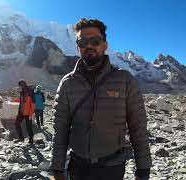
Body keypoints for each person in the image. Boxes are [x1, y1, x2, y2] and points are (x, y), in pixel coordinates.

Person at [50, 18, 152, 180]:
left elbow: (138, 128)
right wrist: (57, 167)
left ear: (105, 45)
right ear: (78, 47)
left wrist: (143, 169)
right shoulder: (68, 83)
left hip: (112, 167)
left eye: (95, 40)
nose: (89, 46)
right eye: (82, 42)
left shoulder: (124, 80)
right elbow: (60, 128)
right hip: (77, 167)